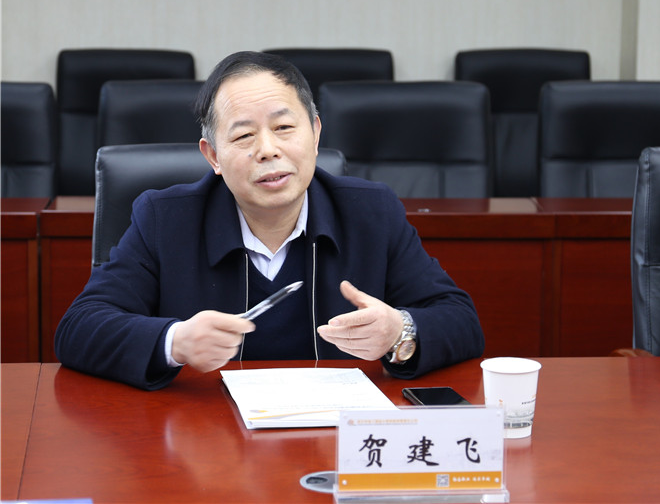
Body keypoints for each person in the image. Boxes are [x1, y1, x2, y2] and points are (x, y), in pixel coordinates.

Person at [55, 51, 484, 390]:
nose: (267, 150)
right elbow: (78, 328)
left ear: (315, 134)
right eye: (244, 135)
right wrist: (175, 342)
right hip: (207, 442)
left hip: (330, 438)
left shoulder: (371, 212)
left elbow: (460, 320)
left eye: (284, 128)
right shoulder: (165, 219)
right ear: (213, 156)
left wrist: (400, 331)